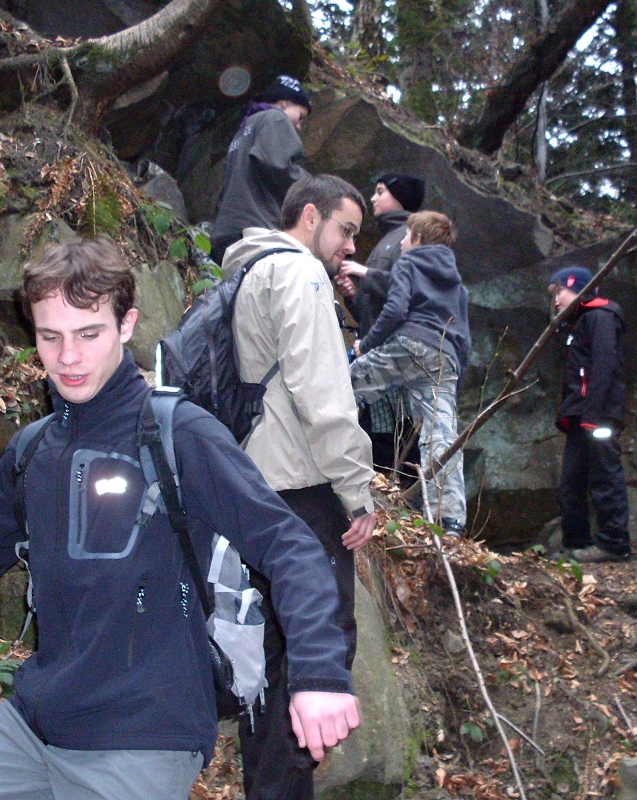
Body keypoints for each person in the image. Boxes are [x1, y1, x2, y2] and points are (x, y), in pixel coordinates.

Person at [0, 240, 360, 800]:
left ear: (127, 325)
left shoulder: (178, 434)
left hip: (145, 739)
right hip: (32, 729)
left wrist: (319, 675)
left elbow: (293, 548)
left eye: (89, 334)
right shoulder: (34, 451)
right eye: (50, 336)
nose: (67, 357)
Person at [221, 175, 377, 800]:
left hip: (248, 488)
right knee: (317, 648)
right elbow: (324, 396)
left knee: (268, 655)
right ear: (310, 216)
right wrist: (358, 490)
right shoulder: (298, 273)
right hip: (302, 489)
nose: (349, 248)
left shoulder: (241, 270)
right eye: (345, 231)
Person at [350, 211, 470, 536]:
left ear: (417, 238)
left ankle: (324, 461)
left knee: (345, 386)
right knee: (441, 436)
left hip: (412, 344)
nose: (401, 242)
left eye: (406, 236)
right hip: (446, 357)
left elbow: (396, 309)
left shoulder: (409, 263)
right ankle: (449, 521)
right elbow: (465, 337)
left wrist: (367, 346)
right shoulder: (456, 282)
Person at [333, 174, 427, 480]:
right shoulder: (389, 239)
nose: (373, 198)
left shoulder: (412, 237)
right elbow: (376, 311)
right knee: (379, 430)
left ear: (400, 196)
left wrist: (365, 272)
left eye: (380, 192)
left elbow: (413, 293)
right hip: (378, 351)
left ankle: (402, 499)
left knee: (394, 433)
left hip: (396, 357)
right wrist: (353, 296)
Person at [549, 266, 631, 563]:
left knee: (604, 475)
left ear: (578, 288)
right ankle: (576, 542)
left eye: (560, 291)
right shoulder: (577, 324)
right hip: (580, 415)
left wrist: (593, 413)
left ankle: (614, 542)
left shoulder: (601, 317)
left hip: (598, 415)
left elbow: (605, 364)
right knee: (571, 481)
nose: (556, 299)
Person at [210, 75, 313, 263]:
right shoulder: (275, 118)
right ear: (284, 103)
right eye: (300, 117)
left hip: (226, 232)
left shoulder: (247, 127)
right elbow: (277, 164)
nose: (298, 126)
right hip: (255, 232)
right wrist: (312, 186)